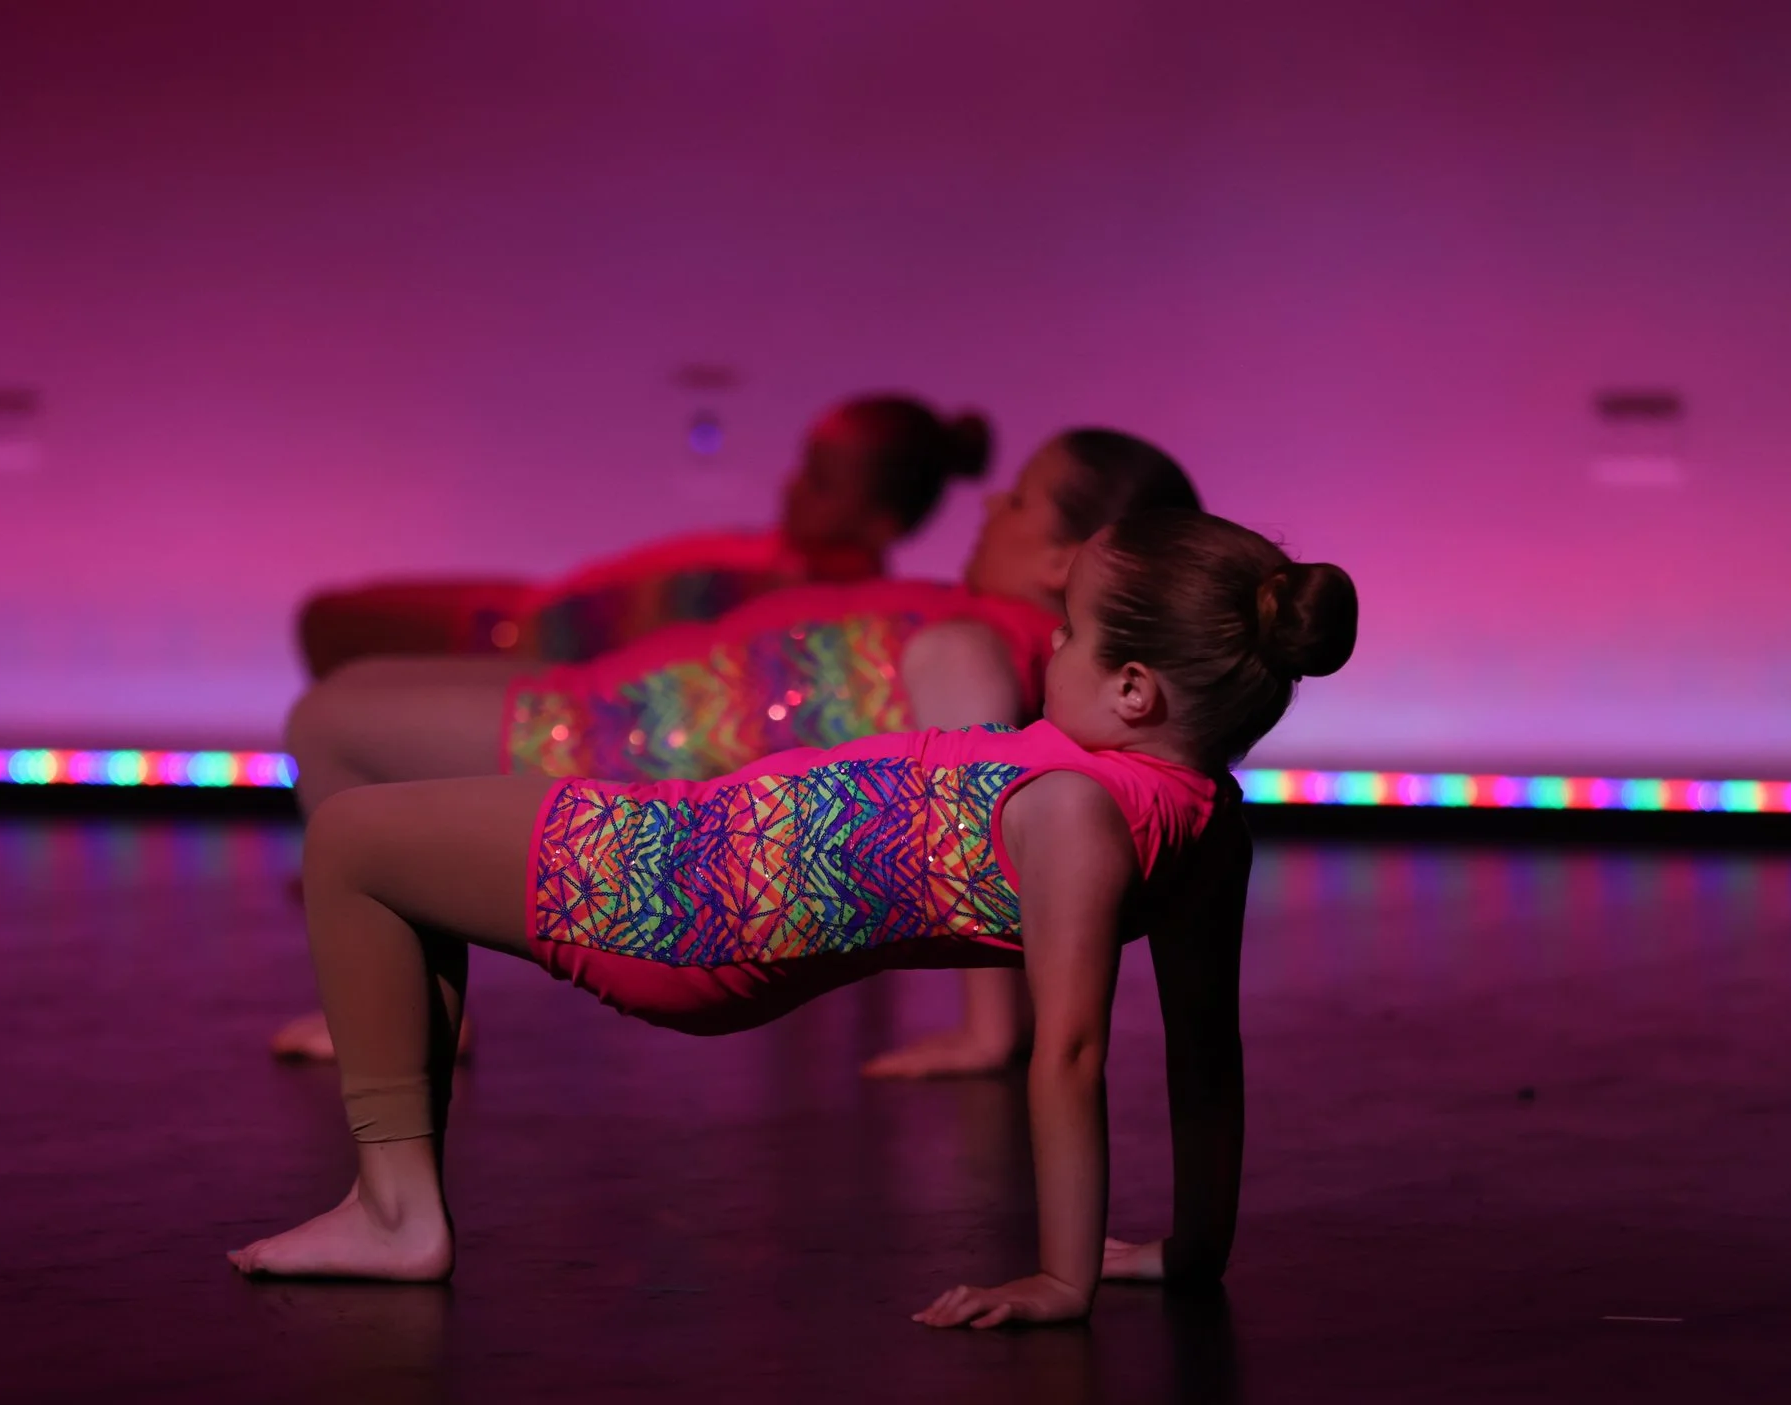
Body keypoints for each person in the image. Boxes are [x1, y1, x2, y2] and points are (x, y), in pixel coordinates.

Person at [228, 509, 1361, 1332]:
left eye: (1065, 634)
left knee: (353, 839)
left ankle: (393, 1210)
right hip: (693, 843)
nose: (1045, 652)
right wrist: (1195, 1248)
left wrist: (1062, 1279)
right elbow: (1209, 1055)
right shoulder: (1206, 819)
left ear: (1132, 689)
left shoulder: (1077, 813)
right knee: (395, 848)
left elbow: (1069, 1054)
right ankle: (395, 1202)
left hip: (676, 895)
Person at [273, 428, 1204, 1077]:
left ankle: (393, 1017)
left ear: (1065, 559)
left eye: (1021, 499)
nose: (992, 504)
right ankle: (405, 1011)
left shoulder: (982, 633)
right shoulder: (976, 615)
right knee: (343, 709)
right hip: (604, 704)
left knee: (332, 722)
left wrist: (986, 1030)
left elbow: (977, 789)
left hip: (609, 743)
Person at [296, 395, 991, 678]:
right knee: (333, 618)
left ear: (881, 523)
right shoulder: (782, 562)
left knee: (334, 625)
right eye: (803, 465)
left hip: (522, 641)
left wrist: (514, 642)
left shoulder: (808, 600)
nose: (790, 486)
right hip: (529, 616)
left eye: (818, 480)